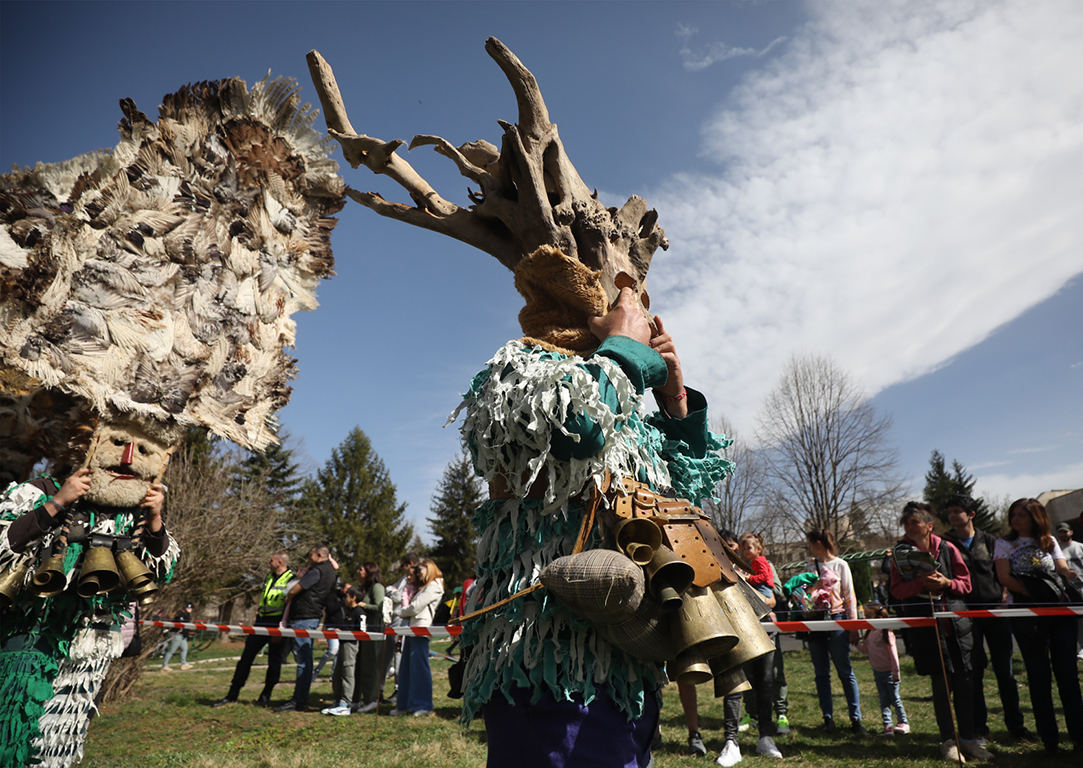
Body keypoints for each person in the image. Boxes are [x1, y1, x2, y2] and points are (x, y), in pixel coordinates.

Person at [453, 267, 733, 767]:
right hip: (545, 664)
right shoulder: (516, 369)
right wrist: (625, 347)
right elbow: (578, 429)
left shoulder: (618, 400)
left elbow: (685, 488)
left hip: (627, 663)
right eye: (627, 316)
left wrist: (674, 397)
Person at [0, 419, 181, 768]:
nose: (129, 459)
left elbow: (162, 572)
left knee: (57, 746)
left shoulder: (137, 515)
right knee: (10, 733)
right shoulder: (39, 490)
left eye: (143, 450)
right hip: (27, 637)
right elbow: (3, 544)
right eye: (118, 443)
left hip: (88, 650)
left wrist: (156, 520)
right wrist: (57, 503)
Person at [889, 502, 991, 763]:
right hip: (926, 626)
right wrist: (918, 584)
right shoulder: (899, 554)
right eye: (907, 523)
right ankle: (948, 741)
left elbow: (966, 584)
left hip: (957, 626)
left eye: (916, 522)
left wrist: (946, 582)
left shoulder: (948, 548)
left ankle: (968, 740)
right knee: (941, 684)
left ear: (929, 525)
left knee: (965, 683)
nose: (910, 527)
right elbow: (897, 590)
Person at [994, 498, 1083, 755]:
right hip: (1027, 616)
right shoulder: (1004, 543)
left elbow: (1060, 565)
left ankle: (1078, 736)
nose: (1016, 519)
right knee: (1038, 677)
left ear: (1036, 517)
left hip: (1059, 613)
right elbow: (1004, 577)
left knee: (1067, 675)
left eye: (1022, 515)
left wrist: (1067, 574)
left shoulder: (1049, 540)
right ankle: (1050, 740)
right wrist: (1034, 594)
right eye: (1014, 514)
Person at [943, 494, 1034, 743]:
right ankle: (979, 730)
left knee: (1005, 672)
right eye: (950, 511)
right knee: (974, 673)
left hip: (996, 613)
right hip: (964, 615)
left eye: (957, 510)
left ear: (971, 514)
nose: (952, 515)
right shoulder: (945, 544)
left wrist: (1004, 594)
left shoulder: (991, 541)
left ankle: (1017, 728)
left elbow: (1003, 572)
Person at [715, 531, 783, 766]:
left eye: (740, 547)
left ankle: (765, 737)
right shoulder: (719, 565)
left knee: (764, 684)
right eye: (733, 548)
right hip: (734, 631)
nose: (738, 552)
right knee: (734, 685)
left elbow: (771, 598)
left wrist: (760, 597)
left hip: (762, 630)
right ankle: (731, 742)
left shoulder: (757, 565)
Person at [212, 552, 295, 707]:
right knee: (246, 657)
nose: (268, 562)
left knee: (274, 660)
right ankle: (232, 694)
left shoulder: (291, 579)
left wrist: (282, 628)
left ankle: (265, 696)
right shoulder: (269, 577)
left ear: (280, 562)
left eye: (271, 560)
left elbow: (290, 605)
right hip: (261, 620)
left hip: (277, 622)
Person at [804, 529, 866, 735]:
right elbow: (803, 598)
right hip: (815, 621)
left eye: (810, 543)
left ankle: (856, 719)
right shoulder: (810, 566)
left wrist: (853, 625)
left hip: (837, 619)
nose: (809, 547)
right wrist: (813, 587)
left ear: (819, 543)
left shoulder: (841, 565)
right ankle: (827, 718)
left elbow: (850, 596)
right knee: (821, 673)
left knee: (845, 670)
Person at [738, 534, 790, 738]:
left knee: (774, 671)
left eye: (747, 547)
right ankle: (752, 714)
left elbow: (773, 592)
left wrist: (751, 584)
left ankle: (781, 713)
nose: (743, 551)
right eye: (742, 548)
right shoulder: (742, 565)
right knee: (749, 672)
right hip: (746, 624)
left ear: (758, 549)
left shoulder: (761, 563)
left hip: (765, 620)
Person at [274, 545, 337, 713]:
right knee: (304, 658)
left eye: (310, 556)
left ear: (318, 555)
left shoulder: (317, 571)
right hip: (311, 614)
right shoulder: (330, 570)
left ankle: (299, 699)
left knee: (303, 659)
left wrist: (289, 596)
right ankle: (300, 697)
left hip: (304, 616)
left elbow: (297, 588)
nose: (308, 559)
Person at [391, 559, 444, 717]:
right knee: (406, 668)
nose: (418, 571)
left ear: (429, 569)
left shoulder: (434, 586)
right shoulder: (424, 587)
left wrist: (400, 612)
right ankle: (405, 704)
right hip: (412, 629)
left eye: (421, 568)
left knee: (419, 669)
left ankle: (423, 705)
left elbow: (416, 606)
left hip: (421, 629)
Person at [857, 605, 909, 736]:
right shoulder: (870, 634)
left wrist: (896, 672)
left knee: (895, 698)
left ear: (879, 618)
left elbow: (893, 655)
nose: (866, 620)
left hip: (890, 673)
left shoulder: (886, 634)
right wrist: (857, 643)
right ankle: (887, 724)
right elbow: (866, 651)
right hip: (878, 672)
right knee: (883, 699)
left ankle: (903, 722)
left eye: (868, 617)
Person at [381, 553, 420, 701]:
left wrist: (392, 591)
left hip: (402, 620)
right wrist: (392, 591)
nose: (403, 569)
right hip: (393, 620)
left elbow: (397, 596)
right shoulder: (404, 579)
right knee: (387, 656)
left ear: (409, 564)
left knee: (399, 655)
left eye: (403, 565)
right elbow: (390, 590)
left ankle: (399, 689)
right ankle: (381, 689)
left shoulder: (412, 579)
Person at [323, 586, 366, 716]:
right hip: (342, 643)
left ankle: (345, 703)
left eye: (347, 596)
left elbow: (361, 632)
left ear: (353, 598)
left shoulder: (360, 613)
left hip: (351, 645)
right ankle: (337, 700)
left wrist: (345, 632)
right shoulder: (346, 611)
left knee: (348, 672)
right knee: (337, 673)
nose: (344, 598)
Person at [352, 561, 387, 712]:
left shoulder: (377, 587)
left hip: (374, 630)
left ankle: (371, 699)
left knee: (370, 665)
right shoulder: (364, 588)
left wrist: (363, 606)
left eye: (361, 569)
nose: (358, 571)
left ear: (369, 571)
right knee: (360, 664)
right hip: (363, 630)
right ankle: (357, 698)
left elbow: (380, 607)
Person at [1055, 520, 1083, 660]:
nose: (1063, 534)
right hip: (1068, 589)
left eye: (1065, 531)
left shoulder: (1080, 547)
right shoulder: (1057, 549)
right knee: (1075, 619)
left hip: (1082, 586)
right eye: (1060, 532)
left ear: (1071, 532)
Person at [161, 603, 194, 671]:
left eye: (190, 608)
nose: (188, 609)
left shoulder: (187, 615)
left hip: (183, 635)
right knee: (172, 650)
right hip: (176, 634)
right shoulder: (179, 615)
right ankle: (165, 665)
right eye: (187, 608)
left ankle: (183, 663)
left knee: (184, 648)